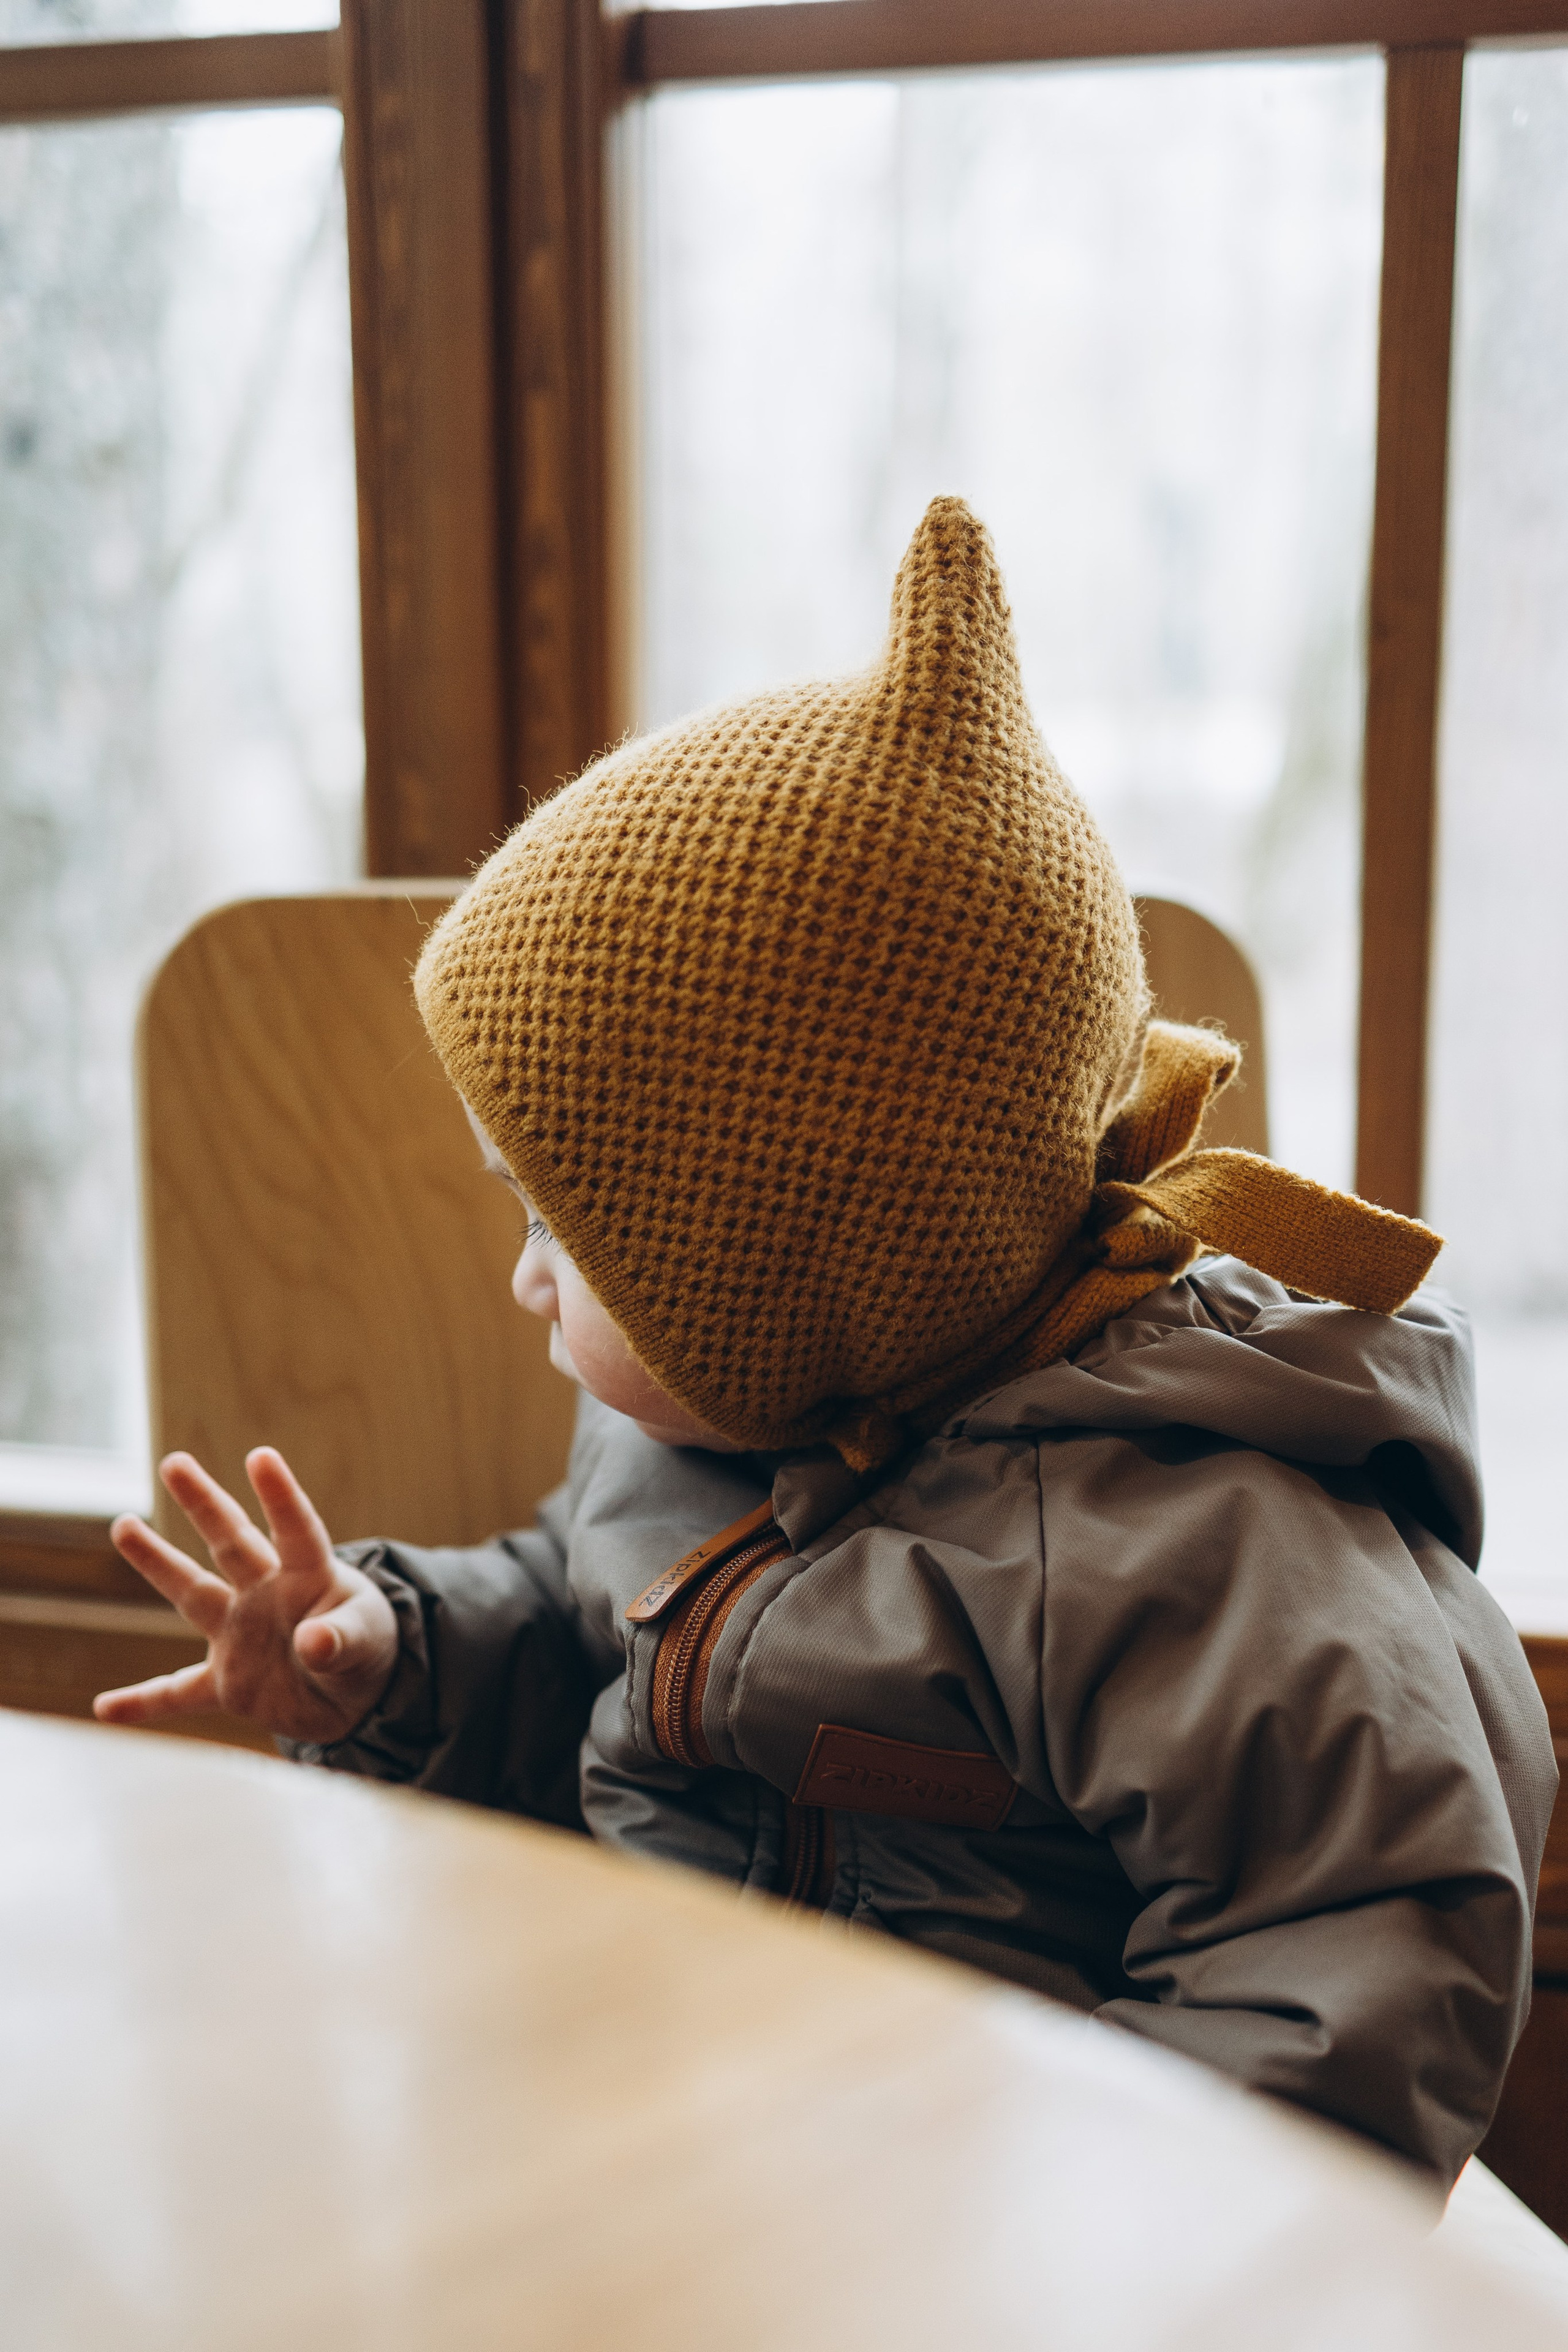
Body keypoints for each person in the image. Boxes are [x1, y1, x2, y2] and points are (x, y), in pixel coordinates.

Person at [96, 498, 1555, 2188]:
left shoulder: (1200, 1552)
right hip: (649, 2118)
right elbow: (592, 1637)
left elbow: (1356, 1950)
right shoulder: (707, 1423)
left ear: (795, 1254)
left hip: (959, 2226)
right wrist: (392, 1657)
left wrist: (1116, 2232)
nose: (522, 1283)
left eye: (560, 1230)